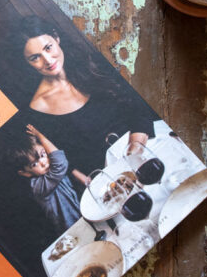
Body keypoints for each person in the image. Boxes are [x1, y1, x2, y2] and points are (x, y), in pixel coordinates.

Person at [14, 15, 156, 181]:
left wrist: (136, 147)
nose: (47, 60)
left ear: (56, 38)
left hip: (146, 142)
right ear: (27, 63)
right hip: (112, 173)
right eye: (35, 58)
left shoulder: (93, 62)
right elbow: (66, 156)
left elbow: (139, 103)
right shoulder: (37, 109)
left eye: (48, 48)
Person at [13, 124, 82, 236]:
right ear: (25, 173)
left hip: (82, 216)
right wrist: (40, 136)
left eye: (43, 154)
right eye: (34, 164)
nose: (43, 162)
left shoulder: (50, 171)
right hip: (72, 231)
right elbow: (60, 162)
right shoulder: (37, 186)